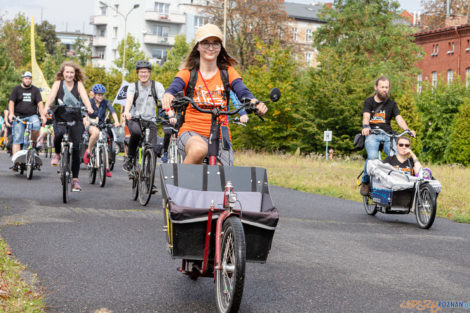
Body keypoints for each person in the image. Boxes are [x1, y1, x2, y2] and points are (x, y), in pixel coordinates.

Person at [161, 23, 267, 165]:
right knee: (199, 149)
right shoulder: (188, 73)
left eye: (215, 43)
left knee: (222, 176)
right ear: (198, 46)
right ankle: (181, 186)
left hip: (220, 135)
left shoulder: (228, 72)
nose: (211, 48)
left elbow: (242, 91)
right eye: (205, 43)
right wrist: (168, 95)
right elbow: (174, 87)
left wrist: (255, 102)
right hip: (191, 132)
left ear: (220, 47)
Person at [43, 61, 94, 192]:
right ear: (63, 73)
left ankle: (75, 181)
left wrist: (89, 108)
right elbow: (51, 97)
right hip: (60, 115)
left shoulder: (79, 85)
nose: (69, 75)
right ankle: (57, 153)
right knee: (59, 134)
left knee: (76, 148)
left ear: (75, 73)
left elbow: (85, 98)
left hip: (75, 117)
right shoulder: (58, 84)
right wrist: (46, 108)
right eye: (67, 72)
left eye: (72, 72)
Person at [360, 76, 416, 196]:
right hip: (373, 134)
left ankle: (394, 184)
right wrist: (365, 127)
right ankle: (365, 182)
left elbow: (399, 118)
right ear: (376, 87)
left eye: (386, 87)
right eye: (382, 87)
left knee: (394, 156)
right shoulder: (369, 102)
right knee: (373, 156)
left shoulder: (391, 103)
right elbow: (366, 116)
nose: (384, 90)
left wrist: (407, 129)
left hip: (388, 135)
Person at [122, 60, 165, 172]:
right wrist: (127, 111)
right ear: (137, 73)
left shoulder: (157, 86)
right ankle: (130, 158)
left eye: (146, 72)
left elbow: (164, 101)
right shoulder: (133, 86)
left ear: (150, 72)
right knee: (136, 133)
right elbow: (129, 100)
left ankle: (149, 178)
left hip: (151, 120)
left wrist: (171, 114)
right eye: (141, 72)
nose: (143, 74)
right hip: (135, 118)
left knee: (153, 148)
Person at [83, 84, 120, 177]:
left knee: (104, 145)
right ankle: (88, 151)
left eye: (102, 94)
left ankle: (106, 168)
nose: (101, 96)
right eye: (99, 94)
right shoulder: (89, 102)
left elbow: (113, 111)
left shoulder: (106, 102)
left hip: (101, 126)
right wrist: (85, 120)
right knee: (95, 133)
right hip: (91, 125)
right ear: (94, 94)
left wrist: (116, 121)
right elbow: (84, 112)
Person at [8, 71, 45, 162]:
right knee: (17, 137)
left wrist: (42, 115)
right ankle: (16, 162)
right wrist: (11, 113)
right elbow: (11, 102)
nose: (28, 80)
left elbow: (40, 103)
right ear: (22, 79)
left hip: (32, 116)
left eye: (29, 78)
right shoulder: (16, 89)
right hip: (19, 117)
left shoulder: (35, 90)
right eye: (26, 78)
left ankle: (33, 143)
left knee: (36, 125)